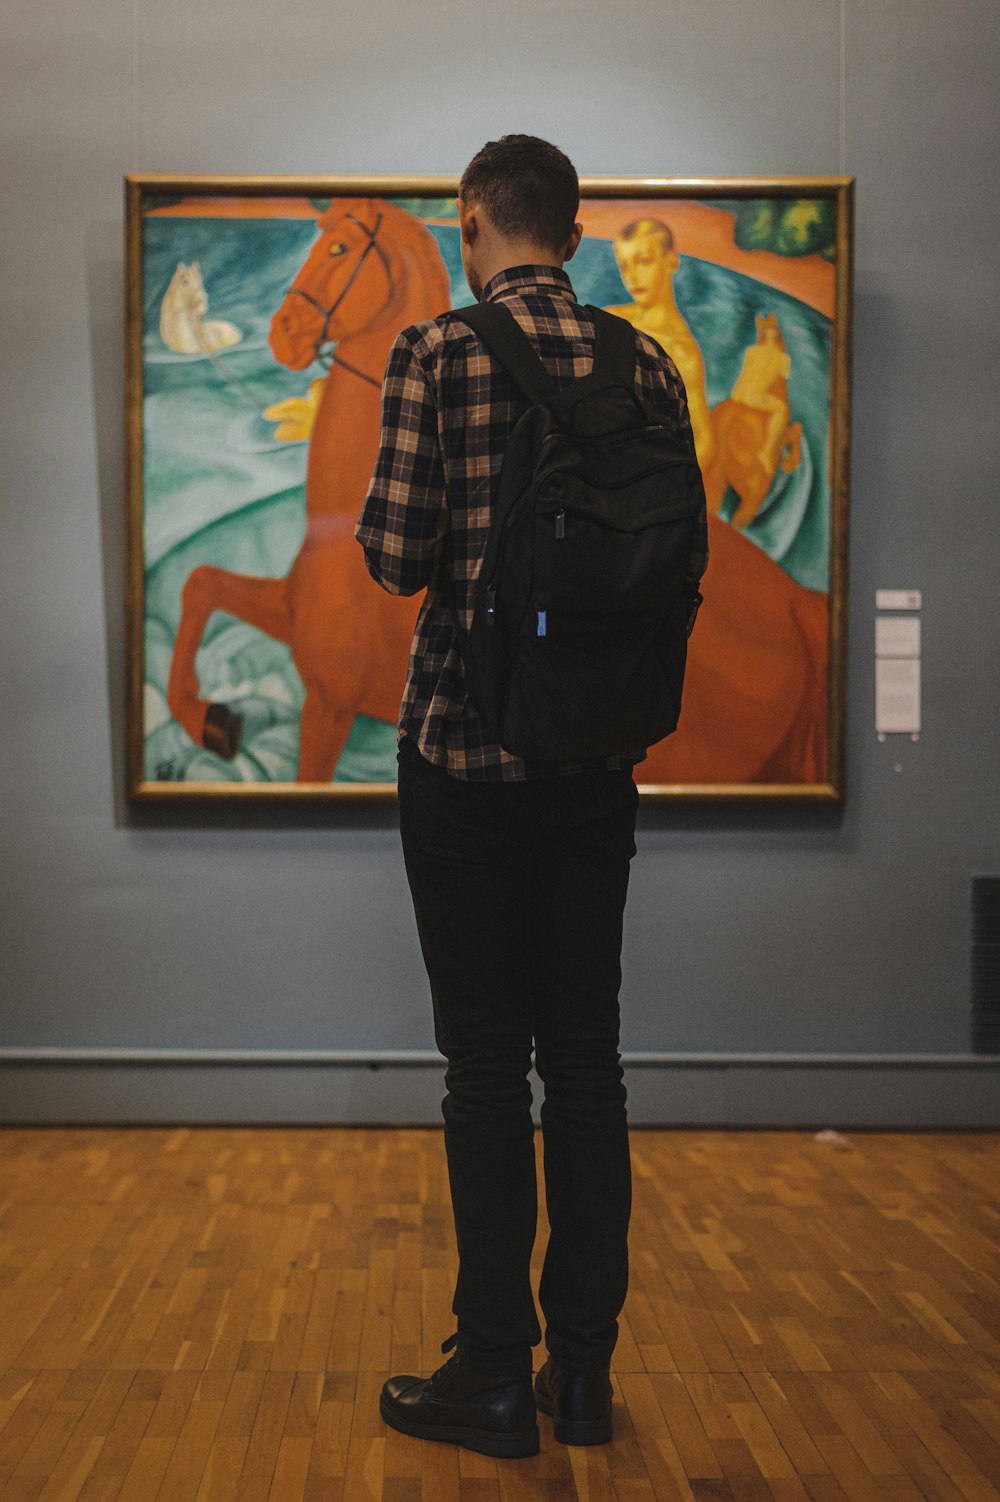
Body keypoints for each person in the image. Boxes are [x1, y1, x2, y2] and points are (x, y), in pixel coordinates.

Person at [355, 135, 708, 1458]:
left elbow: (394, 559)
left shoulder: (439, 354)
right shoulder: (646, 361)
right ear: (572, 228)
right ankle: (585, 1377)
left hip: (464, 753)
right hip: (596, 762)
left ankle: (493, 1369)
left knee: (487, 1072)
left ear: (472, 226)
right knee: (590, 1068)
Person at [606, 216, 716, 469]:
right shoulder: (612, 318)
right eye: (624, 265)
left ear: (671, 262)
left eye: (644, 261)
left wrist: (667, 486)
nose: (632, 276)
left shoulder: (680, 349)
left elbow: (703, 438)